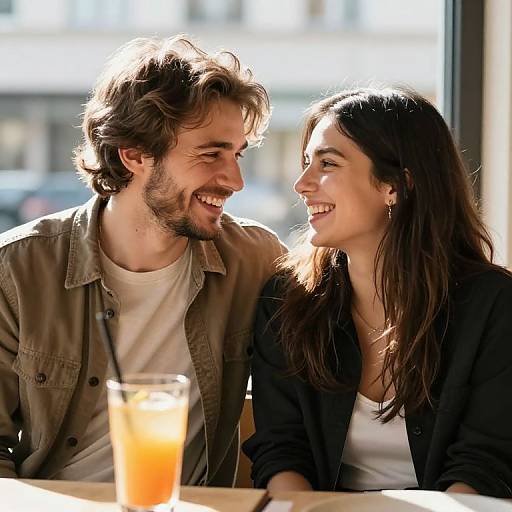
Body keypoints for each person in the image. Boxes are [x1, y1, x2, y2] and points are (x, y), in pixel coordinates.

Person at [0, 36, 285, 485]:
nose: (235, 180)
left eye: (237, 155)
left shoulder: (256, 260)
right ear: (133, 155)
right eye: (212, 154)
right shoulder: (18, 269)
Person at [243, 87, 512, 498]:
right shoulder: (286, 301)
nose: (301, 184)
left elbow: (485, 463)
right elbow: (281, 452)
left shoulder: (493, 304)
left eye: (327, 164)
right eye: (305, 164)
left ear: (396, 185)